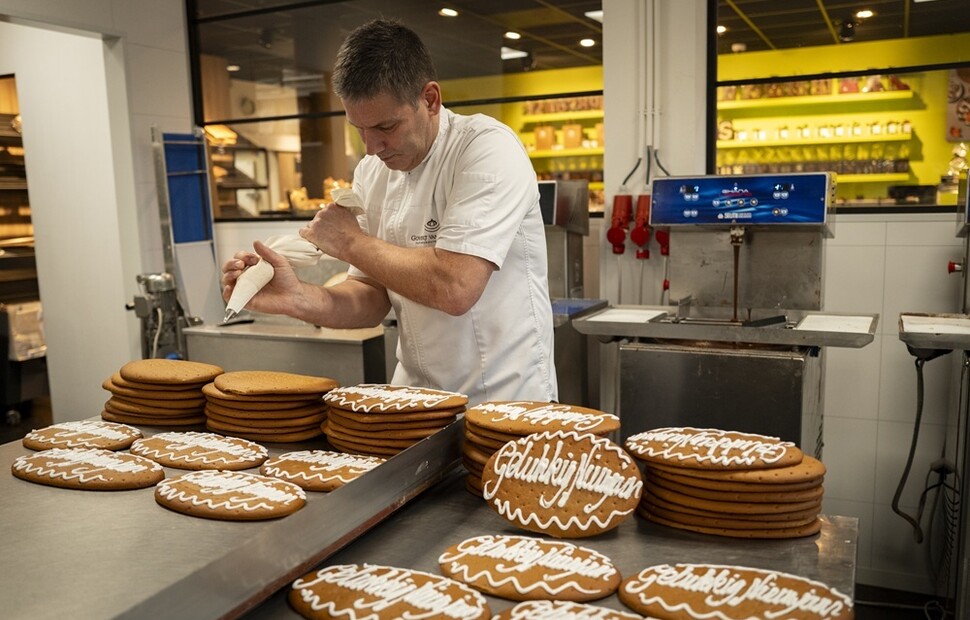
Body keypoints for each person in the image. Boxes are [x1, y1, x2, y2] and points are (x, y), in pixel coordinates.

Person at [221, 18, 558, 405]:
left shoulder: (486, 150)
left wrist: (349, 241)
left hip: (505, 398)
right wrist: (297, 298)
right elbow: (370, 296)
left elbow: (455, 287)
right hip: (417, 399)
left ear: (430, 99)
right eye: (359, 129)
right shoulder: (372, 172)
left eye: (386, 126)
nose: (371, 147)